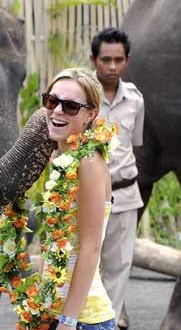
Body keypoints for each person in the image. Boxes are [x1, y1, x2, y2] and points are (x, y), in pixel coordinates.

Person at [42, 68, 116, 330]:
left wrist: (67, 320)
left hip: (83, 320)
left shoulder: (88, 163)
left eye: (71, 106)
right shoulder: (56, 159)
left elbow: (91, 247)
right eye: (52, 101)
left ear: (90, 114)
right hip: (51, 313)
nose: (58, 110)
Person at [90, 28, 144, 330]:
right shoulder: (79, 98)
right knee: (84, 264)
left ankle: (106, 325)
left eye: (118, 60)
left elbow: (133, 143)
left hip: (124, 195)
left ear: (127, 61)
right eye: (105, 60)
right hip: (85, 196)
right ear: (93, 60)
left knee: (119, 267)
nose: (112, 67)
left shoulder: (135, 100)